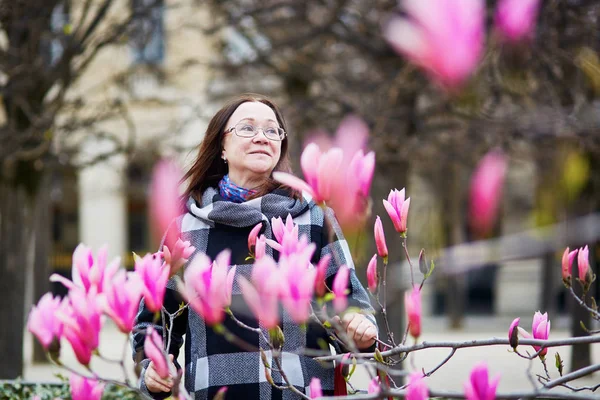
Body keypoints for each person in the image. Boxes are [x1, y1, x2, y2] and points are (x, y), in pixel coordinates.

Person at [133, 94, 378, 399]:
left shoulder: (314, 217)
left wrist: (361, 330)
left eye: (272, 130)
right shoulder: (185, 226)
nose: (262, 137)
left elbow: (351, 303)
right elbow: (155, 321)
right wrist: (153, 370)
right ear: (221, 147)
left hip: (301, 393)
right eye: (247, 128)